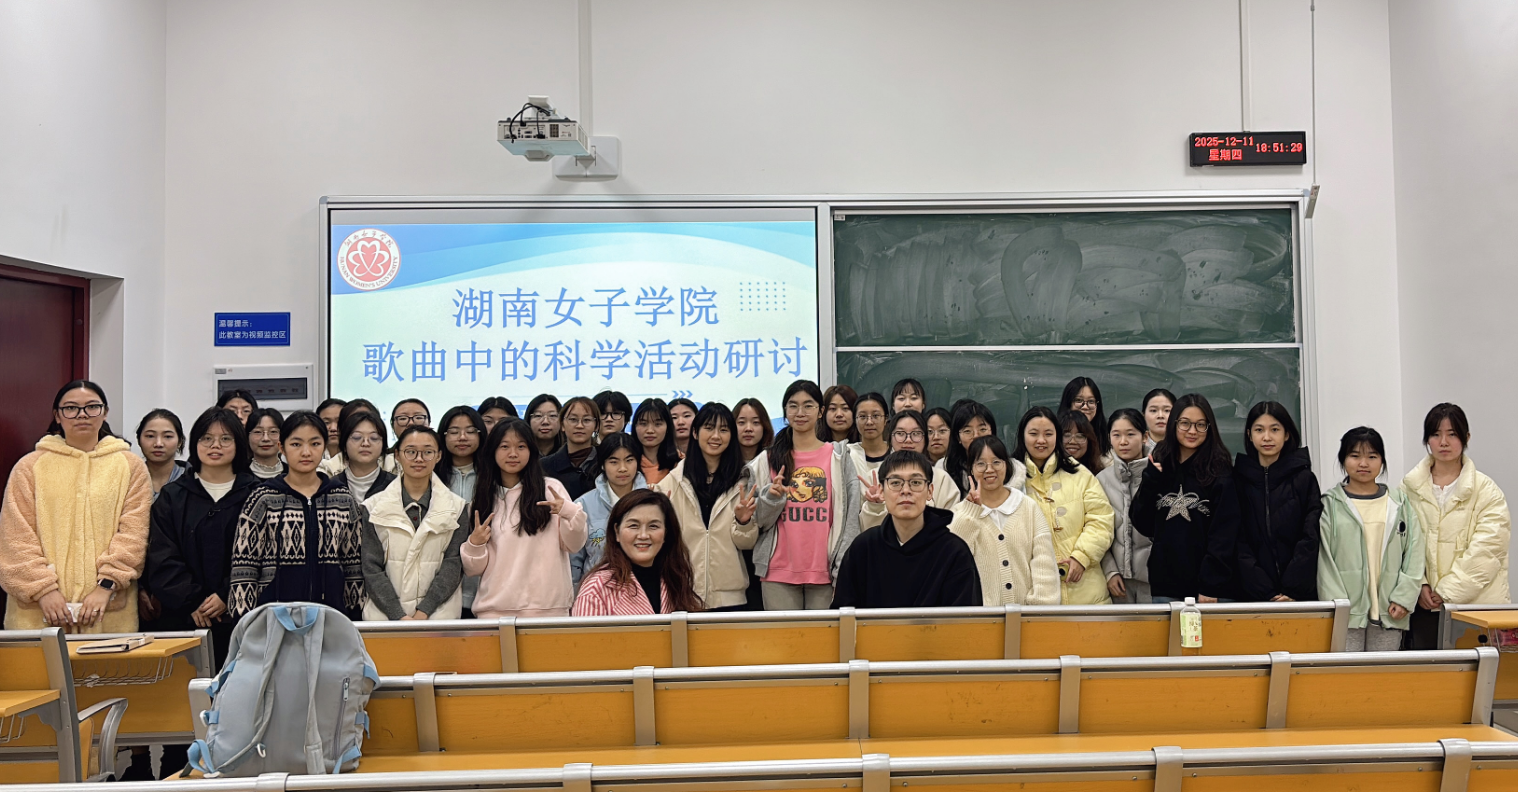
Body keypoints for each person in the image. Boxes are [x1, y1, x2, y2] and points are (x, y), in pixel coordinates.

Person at [0, 381, 150, 632]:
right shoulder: (29, 467)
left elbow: (134, 534)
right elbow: (16, 538)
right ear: (57, 416)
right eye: (71, 408)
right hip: (38, 612)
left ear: (105, 412)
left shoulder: (129, 466)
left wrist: (106, 586)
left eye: (92, 407)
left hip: (107, 609)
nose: (82, 415)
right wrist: (43, 590)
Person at [229, 411, 363, 619]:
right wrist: (244, 621)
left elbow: (353, 565)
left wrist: (354, 616)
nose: (306, 452)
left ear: (324, 447)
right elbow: (244, 566)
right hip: (273, 619)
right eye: (296, 444)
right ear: (281, 447)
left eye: (315, 444)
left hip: (331, 618)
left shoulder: (342, 498)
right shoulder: (263, 498)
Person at [147, 407, 257, 660]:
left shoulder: (257, 494)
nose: (215, 446)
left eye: (225, 439)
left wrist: (228, 594)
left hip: (244, 619)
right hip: (184, 620)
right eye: (206, 438)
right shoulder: (172, 497)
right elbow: (162, 557)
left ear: (239, 444)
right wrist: (194, 601)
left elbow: (263, 556)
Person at [1402, 403, 1512, 649]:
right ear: (1427, 439)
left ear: (1466, 437)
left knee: (1477, 672)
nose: (1443, 442)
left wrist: (1447, 592)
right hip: (1422, 607)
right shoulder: (1408, 489)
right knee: (1429, 672)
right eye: (1435, 434)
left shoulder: (1487, 490)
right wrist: (1419, 584)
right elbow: (1401, 544)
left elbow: (1488, 551)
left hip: (1477, 608)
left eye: (1452, 434)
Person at [753, 380, 863, 610]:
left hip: (826, 572)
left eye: (808, 405)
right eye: (793, 406)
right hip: (777, 571)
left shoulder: (839, 457)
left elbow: (851, 518)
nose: (800, 412)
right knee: (783, 635)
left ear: (820, 411)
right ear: (785, 411)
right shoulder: (767, 460)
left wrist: (841, 567)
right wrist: (771, 499)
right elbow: (758, 522)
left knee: (823, 635)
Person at [462, 417, 587, 618]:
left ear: (531, 450)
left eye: (521, 446)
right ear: (492, 451)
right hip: (494, 611)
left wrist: (569, 512)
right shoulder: (483, 498)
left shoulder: (551, 489)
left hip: (549, 610)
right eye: (504, 446)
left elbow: (574, 545)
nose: (513, 454)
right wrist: (474, 544)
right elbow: (473, 569)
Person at [1319, 427, 1424, 652]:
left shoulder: (1399, 503)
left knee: (1382, 672)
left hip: (1391, 610)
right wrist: (1338, 606)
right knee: (1345, 672)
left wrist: (1404, 598)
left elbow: (1414, 552)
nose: (1363, 463)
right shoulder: (1329, 505)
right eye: (1355, 455)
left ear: (1382, 461)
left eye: (1372, 456)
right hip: (1346, 614)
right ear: (1343, 460)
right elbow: (1323, 561)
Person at [831, 451, 981, 608]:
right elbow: (843, 612)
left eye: (915, 482)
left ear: (930, 491)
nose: (906, 490)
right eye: (896, 483)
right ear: (881, 491)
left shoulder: (954, 552)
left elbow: (964, 618)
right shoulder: (863, 548)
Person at [1130, 393, 1240, 603]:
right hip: (1165, 585)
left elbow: (1224, 535)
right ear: (1174, 424)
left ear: (1209, 427)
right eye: (1185, 423)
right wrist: (1150, 481)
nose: (1192, 431)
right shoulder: (1160, 464)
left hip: (1209, 591)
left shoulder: (1220, 471)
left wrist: (1210, 584)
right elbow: (1143, 524)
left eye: (1200, 425)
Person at [654, 403, 758, 610]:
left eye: (724, 430)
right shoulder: (672, 483)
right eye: (709, 428)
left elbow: (747, 544)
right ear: (695, 432)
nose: (716, 436)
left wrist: (743, 522)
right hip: (683, 592)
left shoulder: (743, 482)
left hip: (731, 597)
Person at [360, 426, 469, 621]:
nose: (419, 459)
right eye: (410, 452)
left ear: (438, 456)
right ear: (397, 455)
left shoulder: (458, 508)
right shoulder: (372, 507)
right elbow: (371, 569)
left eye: (428, 452)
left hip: (439, 617)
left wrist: (423, 612)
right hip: (385, 619)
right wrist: (398, 615)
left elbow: (453, 566)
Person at [1015, 406, 1115, 605]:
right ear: (1022, 436)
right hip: (1034, 590)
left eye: (1048, 434)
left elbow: (1101, 520)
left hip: (1087, 589)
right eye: (1033, 434)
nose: (1041, 440)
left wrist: (1081, 557)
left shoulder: (1080, 474)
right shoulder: (1011, 478)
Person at [950, 437, 1060, 606]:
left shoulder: (1028, 507)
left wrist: (1039, 610)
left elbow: (1044, 562)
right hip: (981, 617)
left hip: (1027, 616)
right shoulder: (960, 513)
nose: (989, 469)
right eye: (981, 464)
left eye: (996, 462)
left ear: (1006, 465)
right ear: (971, 469)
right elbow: (953, 559)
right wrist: (971, 511)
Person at [1234, 402, 1321, 603]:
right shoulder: (1237, 480)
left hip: (1299, 596)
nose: (1267, 437)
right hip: (1252, 596)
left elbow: (1310, 535)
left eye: (1274, 429)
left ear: (1287, 434)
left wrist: (1292, 588)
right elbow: (1237, 540)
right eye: (1259, 430)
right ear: (1249, 435)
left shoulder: (1304, 479)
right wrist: (1265, 591)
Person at [573, 489, 704, 616]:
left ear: (666, 532)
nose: (643, 535)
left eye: (653, 526)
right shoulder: (596, 589)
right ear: (617, 531)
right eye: (633, 526)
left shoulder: (675, 579)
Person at [859, 410, 962, 530]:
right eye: (900, 433)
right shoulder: (872, 478)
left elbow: (952, 525)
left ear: (925, 439)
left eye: (916, 433)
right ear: (890, 438)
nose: (908, 440)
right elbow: (864, 530)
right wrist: (875, 507)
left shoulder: (941, 479)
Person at [571, 434, 646, 590]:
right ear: (603, 465)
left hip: (643, 590)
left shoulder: (653, 502)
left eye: (629, 460)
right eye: (614, 461)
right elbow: (574, 560)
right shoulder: (583, 505)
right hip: (596, 593)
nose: (623, 468)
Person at [1098, 409, 1152, 603]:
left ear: (1145, 437)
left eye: (1130, 434)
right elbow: (1098, 530)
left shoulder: (1160, 475)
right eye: (1116, 435)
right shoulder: (1101, 480)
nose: (1123, 442)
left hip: (1155, 581)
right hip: (1119, 583)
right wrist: (1110, 571)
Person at [541, 396, 600, 500]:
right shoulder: (544, 466)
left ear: (596, 426)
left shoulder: (605, 461)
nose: (579, 425)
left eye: (586, 420)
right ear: (562, 425)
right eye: (573, 419)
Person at [334, 410, 395, 502]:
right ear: (344, 445)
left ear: (383, 445)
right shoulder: (330, 486)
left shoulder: (396, 485)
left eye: (374, 438)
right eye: (357, 437)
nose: (365, 443)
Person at [942, 402, 996, 494]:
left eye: (982, 429)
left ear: (992, 432)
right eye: (967, 431)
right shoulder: (944, 468)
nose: (976, 436)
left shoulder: (1012, 468)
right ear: (958, 438)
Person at [137, 409, 189, 499]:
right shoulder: (127, 479)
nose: (158, 444)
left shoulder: (193, 481)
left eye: (168, 436)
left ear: (180, 441)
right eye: (150, 436)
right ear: (139, 440)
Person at [436, 405, 485, 496]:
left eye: (470, 431)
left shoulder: (492, 472)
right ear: (443, 436)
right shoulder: (433, 473)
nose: (462, 437)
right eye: (454, 432)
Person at [1060, 377, 1110, 462]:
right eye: (1079, 400)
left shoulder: (1109, 439)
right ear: (1068, 403)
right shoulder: (1055, 433)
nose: (1085, 407)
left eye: (1091, 401)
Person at [633, 398, 681, 485]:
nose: (650, 430)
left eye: (657, 424)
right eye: (643, 424)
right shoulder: (628, 463)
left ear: (668, 427)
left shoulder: (681, 463)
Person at [846, 392, 891, 482]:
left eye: (876, 416)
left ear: (886, 419)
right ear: (855, 420)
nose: (869, 422)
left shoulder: (896, 453)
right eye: (863, 416)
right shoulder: (847, 454)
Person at [1059, 410, 1106, 475]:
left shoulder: (1100, 476)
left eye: (1080, 436)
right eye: (1066, 435)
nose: (1073, 441)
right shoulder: (1047, 473)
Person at [245, 407, 287, 480]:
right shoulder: (237, 476)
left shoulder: (294, 474)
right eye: (258, 432)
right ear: (247, 437)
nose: (265, 438)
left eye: (273, 431)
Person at [734, 398, 775, 464]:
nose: (748, 429)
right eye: (741, 422)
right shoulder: (721, 462)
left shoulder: (775, 462)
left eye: (756, 422)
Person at [1141, 388, 1176, 454]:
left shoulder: (1186, 447)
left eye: (1167, 410)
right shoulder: (1135, 448)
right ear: (1143, 415)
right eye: (1153, 410)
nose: (1160, 416)